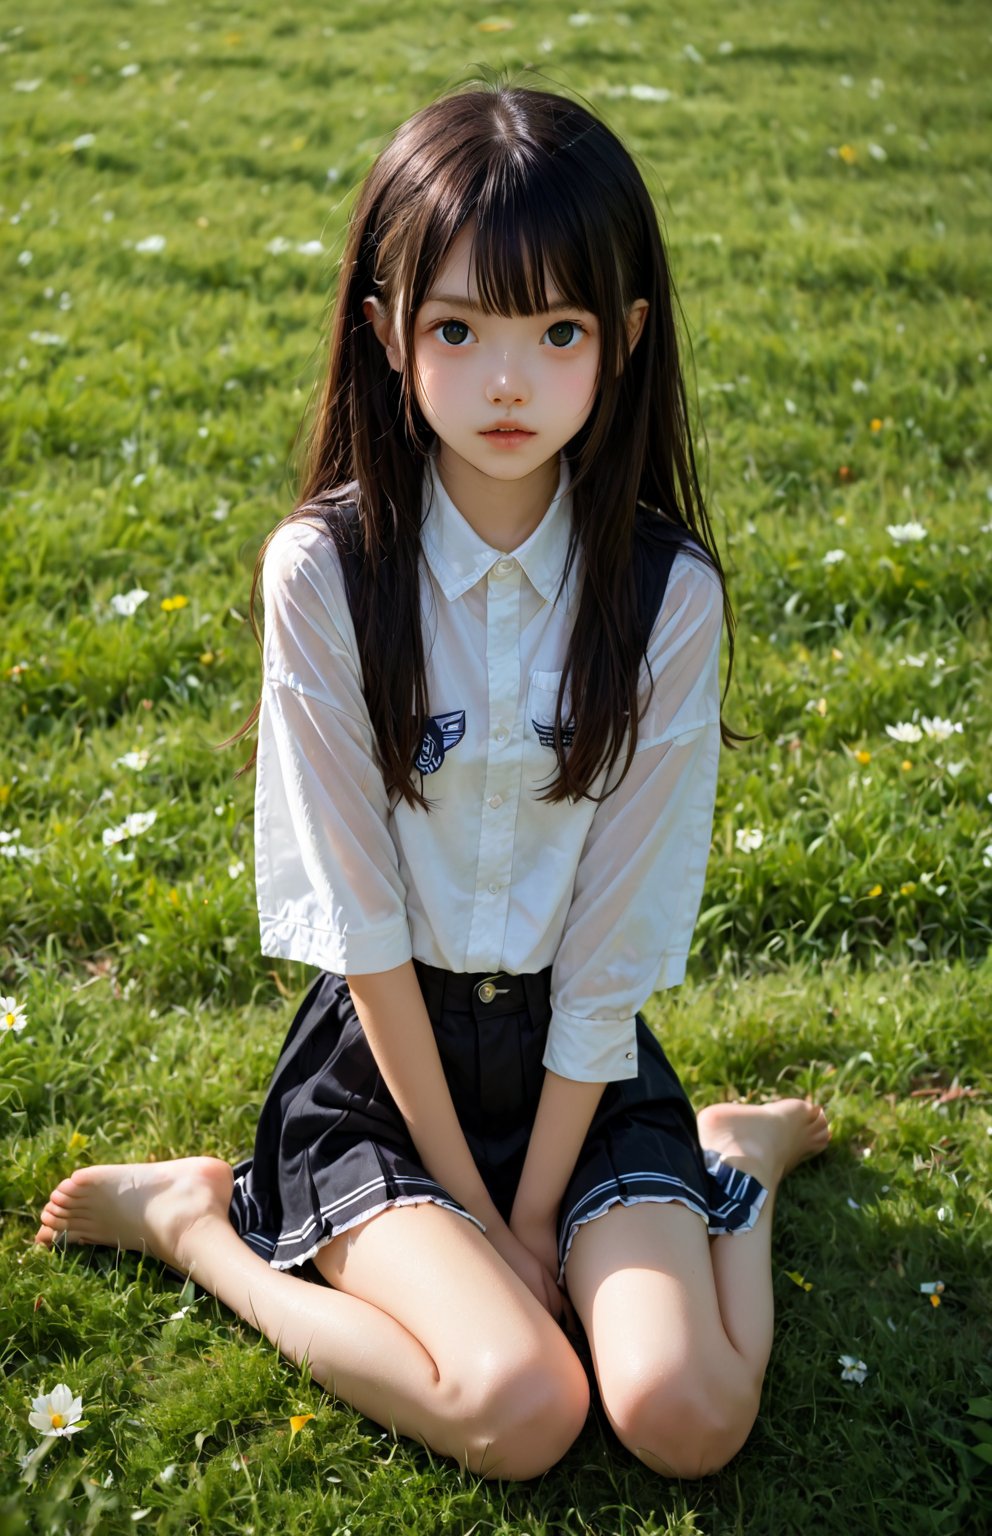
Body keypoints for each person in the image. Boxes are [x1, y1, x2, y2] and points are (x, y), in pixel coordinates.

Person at [35, 82, 829, 1483]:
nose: (507, 381)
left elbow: (615, 938)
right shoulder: (326, 577)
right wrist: (476, 1208)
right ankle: (197, 1231)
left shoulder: (666, 595)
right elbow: (358, 921)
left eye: (558, 331)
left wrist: (540, 1214)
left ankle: (735, 1166)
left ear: (623, 342)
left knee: (685, 1419)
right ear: (388, 330)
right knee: (523, 1414)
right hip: (386, 1077)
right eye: (459, 329)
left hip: (583, 1070)